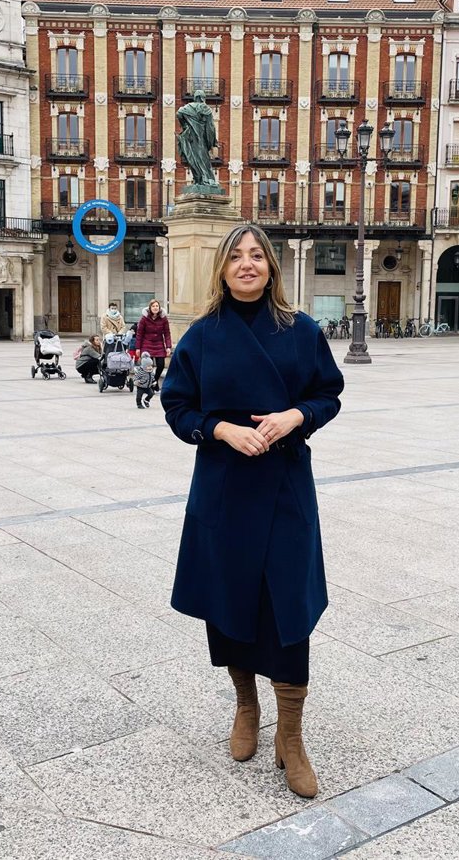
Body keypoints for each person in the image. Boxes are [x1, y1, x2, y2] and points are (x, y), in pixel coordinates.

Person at [160, 223, 344, 799]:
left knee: (288, 604)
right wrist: (219, 429)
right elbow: (176, 405)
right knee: (229, 599)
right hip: (224, 487)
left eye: (257, 255)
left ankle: (292, 734)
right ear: (221, 267)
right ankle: (246, 707)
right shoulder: (202, 335)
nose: (247, 263)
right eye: (236, 256)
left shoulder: (301, 329)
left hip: (285, 485)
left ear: (271, 267)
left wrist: (296, 417)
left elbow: (329, 394)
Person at [136, 299, 173, 390]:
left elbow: (167, 333)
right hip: (146, 344)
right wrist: (138, 348)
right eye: (153, 306)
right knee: (148, 365)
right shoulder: (144, 318)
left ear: (159, 308)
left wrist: (168, 346)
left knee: (161, 365)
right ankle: (149, 383)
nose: (155, 308)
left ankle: (154, 381)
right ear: (150, 308)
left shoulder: (163, 318)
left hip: (159, 344)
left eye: (157, 306)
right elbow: (139, 334)